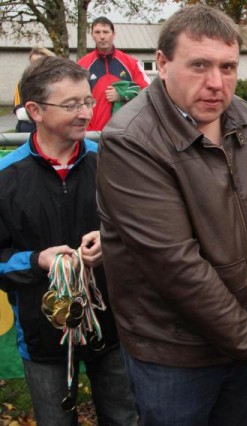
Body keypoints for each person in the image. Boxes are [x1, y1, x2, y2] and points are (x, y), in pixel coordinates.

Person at [96, 5, 247, 425]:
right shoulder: (131, 142)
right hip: (175, 355)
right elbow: (176, 268)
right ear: (162, 64)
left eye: (228, 67)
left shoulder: (242, 117)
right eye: (199, 65)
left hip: (244, 341)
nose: (216, 83)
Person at [0, 56, 136, 426]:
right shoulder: (6, 177)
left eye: (88, 101)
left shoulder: (109, 162)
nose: (85, 113)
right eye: (72, 104)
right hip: (44, 339)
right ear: (35, 111)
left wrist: (111, 242)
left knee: (124, 417)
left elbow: (142, 232)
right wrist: (36, 260)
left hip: (112, 329)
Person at [78, 16, 150, 131]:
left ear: (113, 34)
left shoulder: (131, 63)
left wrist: (122, 94)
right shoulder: (82, 65)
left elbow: (148, 92)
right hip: (91, 133)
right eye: (97, 32)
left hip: (125, 132)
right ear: (92, 35)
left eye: (106, 32)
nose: (102, 37)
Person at [13, 45, 55, 133]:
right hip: (28, 129)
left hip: (53, 129)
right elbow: (20, 113)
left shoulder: (58, 82)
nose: (36, 66)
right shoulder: (23, 83)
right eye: (33, 63)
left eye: (40, 62)